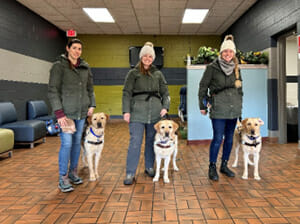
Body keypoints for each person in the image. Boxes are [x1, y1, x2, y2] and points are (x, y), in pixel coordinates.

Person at [48, 39, 96, 192]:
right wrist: (59, 113)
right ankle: (63, 178)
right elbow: (53, 91)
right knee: (67, 144)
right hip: (66, 114)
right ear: (67, 49)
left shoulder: (85, 67)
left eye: (80, 49)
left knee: (76, 144)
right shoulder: (58, 67)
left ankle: (73, 173)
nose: (77, 51)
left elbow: (90, 88)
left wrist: (92, 104)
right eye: (74, 48)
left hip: (81, 112)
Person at [122, 42, 170, 185]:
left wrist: (165, 107)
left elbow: (165, 93)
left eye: (150, 56)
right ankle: (130, 172)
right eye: (145, 56)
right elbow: (126, 93)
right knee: (135, 142)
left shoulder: (158, 74)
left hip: (155, 112)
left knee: (151, 141)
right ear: (141, 56)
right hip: (137, 112)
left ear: (153, 58)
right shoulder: (133, 73)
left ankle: (149, 167)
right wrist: (126, 111)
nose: (148, 58)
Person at [198, 35, 243, 181]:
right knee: (218, 138)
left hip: (233, 108)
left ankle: (224, 165)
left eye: (230, 52)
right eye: (225, 52)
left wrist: (240, 105)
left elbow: (240, 88)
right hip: (219, 107)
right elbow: (203, 86)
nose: (228, 54)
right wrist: (202, 105)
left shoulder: (236, 68)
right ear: (221, 53)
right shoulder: (212, 68)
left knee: (230, 138)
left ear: (233, 53)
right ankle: (212, 167)